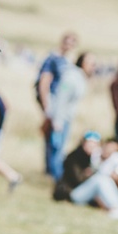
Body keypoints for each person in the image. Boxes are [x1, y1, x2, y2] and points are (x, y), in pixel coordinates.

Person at [53, 131, 118, 220]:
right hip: (74, 193)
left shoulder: (95, 157)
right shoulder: (74, 157)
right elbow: (77, 179)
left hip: (87, 192)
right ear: (83, 143)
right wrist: (91, 174)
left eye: (94, 144)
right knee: (100, 179)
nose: (91, 147)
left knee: (105, 178)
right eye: (89, 144)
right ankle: (116, 207)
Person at [36, 31, 79, 180]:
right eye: (67, 42)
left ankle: (52, 171)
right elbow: (44, 82)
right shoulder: (53, 59)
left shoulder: (68, 61)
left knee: (59, 140)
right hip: (54, 102)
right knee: (54, 140)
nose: (69, 45)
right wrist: (47, 107)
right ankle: (52, 173)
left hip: (65, 105)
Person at [47, 50, 97, 166]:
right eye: (91, 63)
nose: (93, 67)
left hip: (67, 118)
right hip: (61, 118)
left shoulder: (80, 77)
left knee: (61, 147)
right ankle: (55, 176)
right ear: (82, 63)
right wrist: (57, 121)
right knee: (57, 149)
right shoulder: (71, 77)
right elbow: (61, 98)